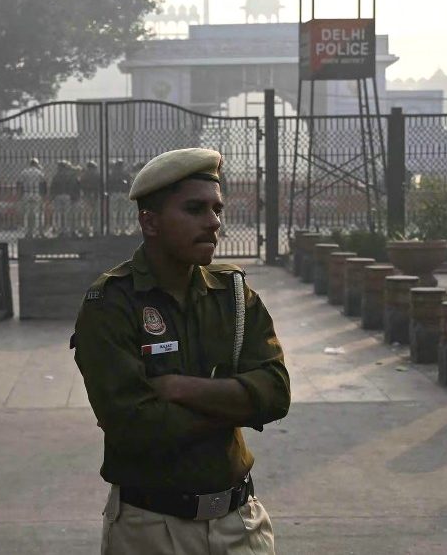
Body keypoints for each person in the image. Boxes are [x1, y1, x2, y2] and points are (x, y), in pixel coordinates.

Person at [72, 147, 289, 554]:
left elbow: (276, 393)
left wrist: (178, 388)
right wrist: (236, 402)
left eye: (217, 209)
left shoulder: (234, 295)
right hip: (151, 529)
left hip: (240, 524)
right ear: (150, 222)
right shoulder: (113, 304)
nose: (213, 223)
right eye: (194, 209)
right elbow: (134, 427)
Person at [17, 158, 46, 238]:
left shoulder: (24, 172)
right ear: (36, 164)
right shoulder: (39, 172)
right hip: (36, 193)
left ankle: (28, 232)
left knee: (27, 214)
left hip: (26, 193)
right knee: (36, 214)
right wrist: (43, 196)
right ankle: (36, 232)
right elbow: (43, 185)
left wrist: (20, 195)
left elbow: (19, 184)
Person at [50, 160, 79, 237]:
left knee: (59, 214)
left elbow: (53, 187)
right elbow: (75, 185)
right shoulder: (70, 175)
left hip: (58, 196)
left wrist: (52, 196)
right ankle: (67, 230)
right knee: (67, 214)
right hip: (67, 195)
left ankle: (61, 231)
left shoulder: (56, 175)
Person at [106, 159, 130, 235]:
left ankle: (112, 229)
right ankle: (123, 229)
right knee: (123, 212)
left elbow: (108, 184)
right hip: (123, 194)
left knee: (114, 212)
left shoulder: (112, 174)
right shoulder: (125, 174)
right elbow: (128, 185)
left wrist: (109, 192)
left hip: (114, 194)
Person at [79, 160, 101, 237]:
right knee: (96, 213)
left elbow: (81, 185)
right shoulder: (97, 174)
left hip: (86, 195)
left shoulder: (84, 175)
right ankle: (96, 229)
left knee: (86, 213)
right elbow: (101, 185)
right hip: (95, 195)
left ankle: (86, 229)